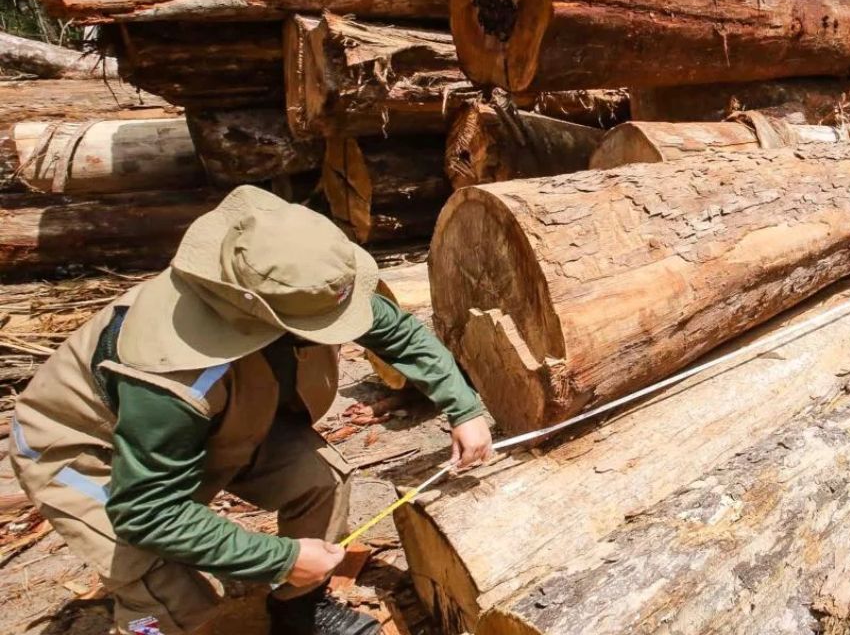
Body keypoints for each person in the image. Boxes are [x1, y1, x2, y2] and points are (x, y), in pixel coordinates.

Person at [9, 186, 493, 635]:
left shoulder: (305, 280)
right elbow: (148, 511)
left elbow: (395, 331)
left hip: (215, 419)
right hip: (86, 451)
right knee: (168, 589)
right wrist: (279, 558)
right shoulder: (169, 374)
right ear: (259, 313)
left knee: (319, 481)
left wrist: (463, 407)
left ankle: (299, 613)